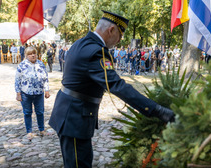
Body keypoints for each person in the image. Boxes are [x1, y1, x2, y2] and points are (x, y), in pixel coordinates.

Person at [49, 10, 174, 168]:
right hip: (75, 118)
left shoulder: (81, 43)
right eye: (120, 36)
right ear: (111, 30)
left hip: (68, 113)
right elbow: (117, 85)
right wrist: (157, 110)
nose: (119, 41)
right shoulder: (97, 52)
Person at [15, 47, 50, 140]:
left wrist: (47, 90)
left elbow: (45, 78)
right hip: (26, 93)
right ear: (26, 55)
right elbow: (17, 80)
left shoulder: (41, 64)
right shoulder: (22, 65)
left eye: (34, 53)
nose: (33, 55)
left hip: (39, 93)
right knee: (27, 113)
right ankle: (29, 131)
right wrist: (18, 93)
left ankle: (42, 130)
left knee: (40, 112)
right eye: (30, 54)